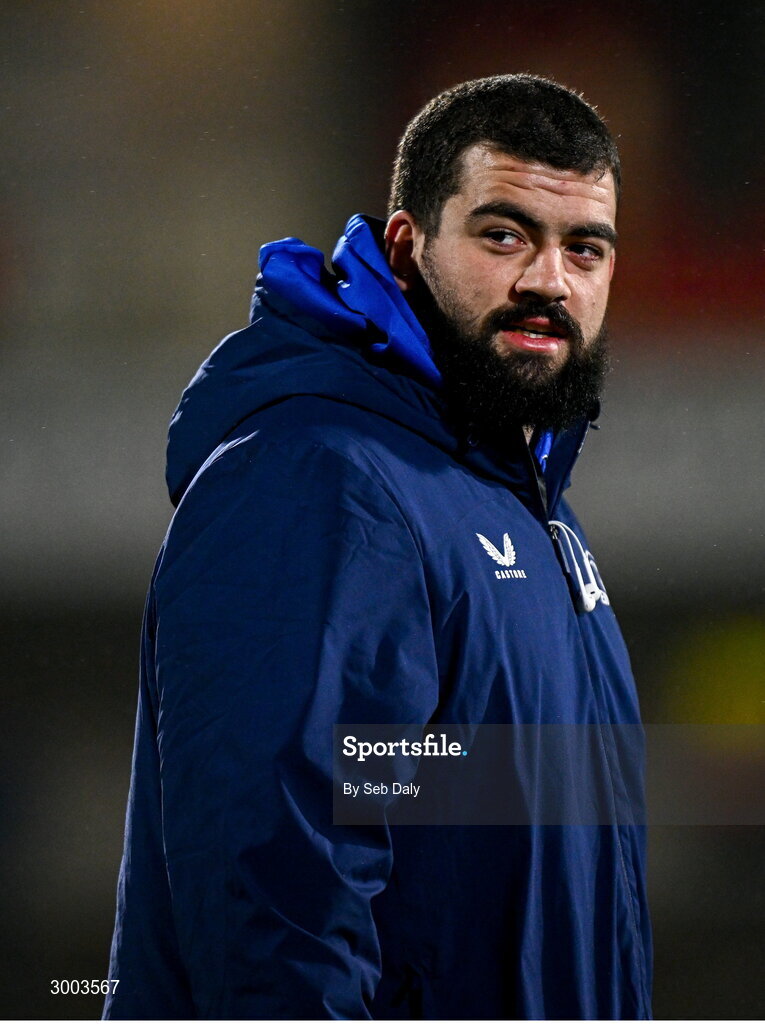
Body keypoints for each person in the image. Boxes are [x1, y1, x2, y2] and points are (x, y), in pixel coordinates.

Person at [104, 74, 652, 1020]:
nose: (547, 282)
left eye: (584, 248)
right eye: (503, 234)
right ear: (407, 247)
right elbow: (275, 898)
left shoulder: (528, 509)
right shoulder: (318, 477)